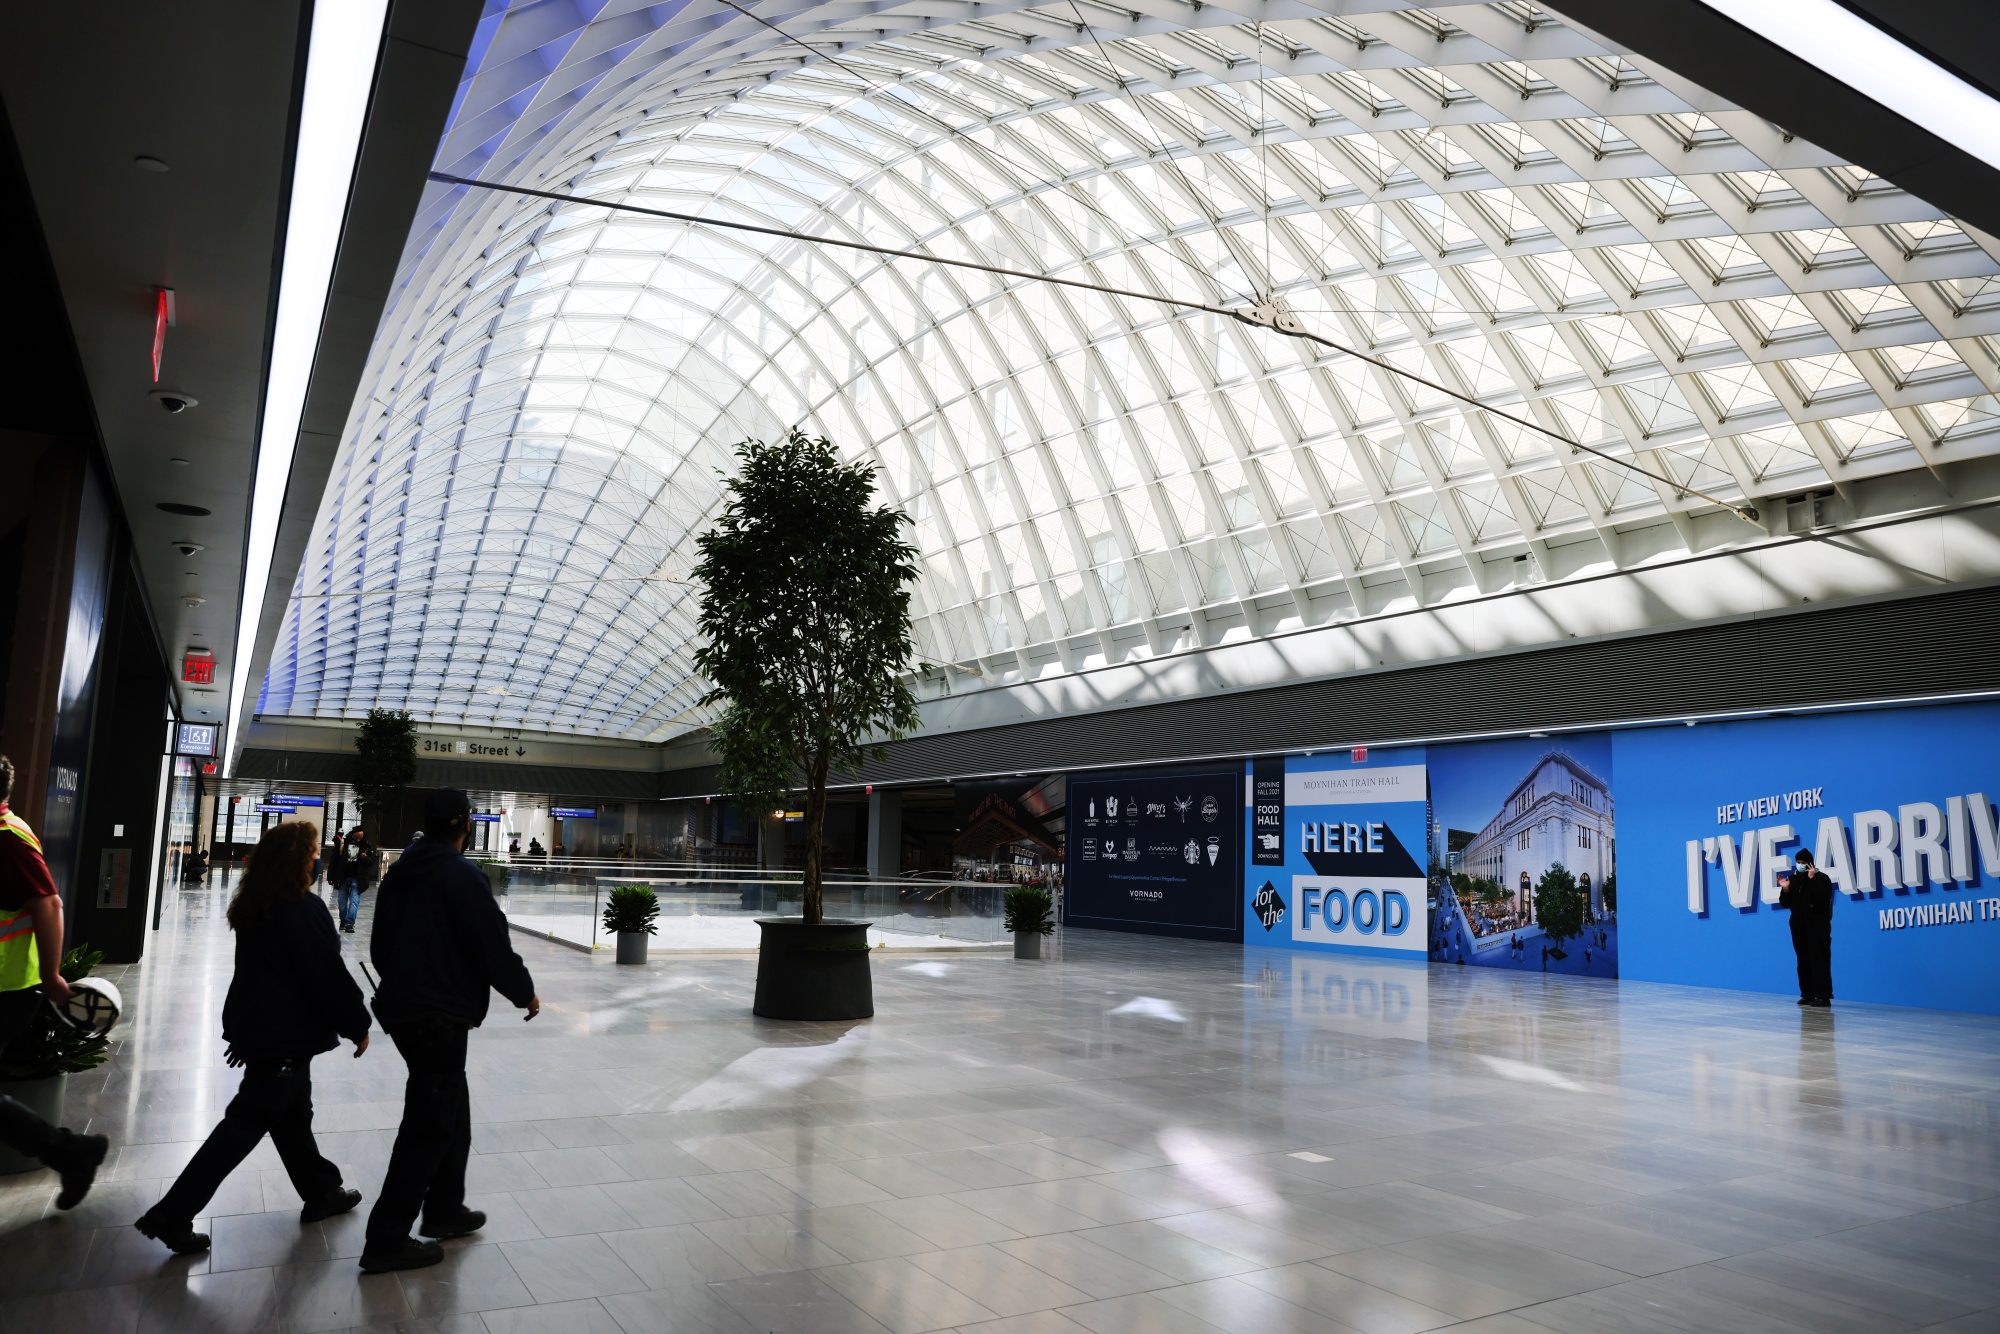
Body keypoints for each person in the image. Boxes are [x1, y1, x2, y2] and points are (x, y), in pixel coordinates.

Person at [135, 821, 372, 1254]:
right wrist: (357, 1022)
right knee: (243, 1127)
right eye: (315, 850)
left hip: (270, 1034)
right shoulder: (302, 909)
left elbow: (254, 978)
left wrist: (243, 1032)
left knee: (294, 1116)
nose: (320, 857)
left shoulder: (258, 905)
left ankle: (322, 1191)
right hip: (284, 1038)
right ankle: (171, 1215)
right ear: (298, 859)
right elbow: (326, 976)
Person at [361, 788, 539, 1273]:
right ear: (464, 823)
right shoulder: (462, 875)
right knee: (429, 1121)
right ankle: (386, 1238)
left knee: (449, 1103)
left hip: (403, 1009)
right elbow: (490, 944)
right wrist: (524, 992)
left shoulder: (403, 870)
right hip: (436, 1017)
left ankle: (444, 1209)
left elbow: (380, 944)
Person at [0, 755, 109, 1208]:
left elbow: (49, 905)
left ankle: (69, 1151)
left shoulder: (8, 840)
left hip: (6, 990)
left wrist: (52, 975)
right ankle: (69, 1152)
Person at [1779, 848, 1835, 1007]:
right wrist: (1786, 889)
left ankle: (1823, 995)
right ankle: (1807, 994)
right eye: (1799, 862)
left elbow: (1823, 898)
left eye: (1804, 863)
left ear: (1811, 863)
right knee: (1802, 959)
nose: (1801, 865)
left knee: (1819, 959)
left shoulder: (1821, 878)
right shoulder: (1792, 879)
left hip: (1817, 926)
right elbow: (1784, 903)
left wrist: (1812, 879)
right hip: (1798, 925)